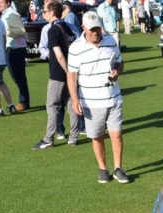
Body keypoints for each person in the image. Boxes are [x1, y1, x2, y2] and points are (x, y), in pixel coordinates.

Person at [68, 11, 130, 184]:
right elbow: (72, 76)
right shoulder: (75, 48)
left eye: (98, 29)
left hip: (113, 97)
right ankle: (103, 169)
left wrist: (117, 71)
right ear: (83, 28)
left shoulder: (111, 42)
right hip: (91, 101)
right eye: (92, 29)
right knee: (97, 137)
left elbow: (120, 61)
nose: (96, 32)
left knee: (116, 134)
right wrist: (74, 100)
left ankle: (118, 168)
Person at [33, 1, 80, 150]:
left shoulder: (52, 30)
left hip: (59, 74)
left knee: (52, 105)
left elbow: (59, 55)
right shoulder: (69, 27)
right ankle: (73, 137)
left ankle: (48, 138)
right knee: (71, 104)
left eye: (45, 12)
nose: (44, 14)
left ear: (52, 12)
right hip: (72, 71)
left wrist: (67, 73)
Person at [0, 0, 30, 111]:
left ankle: (23, 102)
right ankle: (24, 101)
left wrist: (7, 32)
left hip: (16, 48)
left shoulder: (12, 14)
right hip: (11, 48)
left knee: (19, 77)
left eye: (1, 2)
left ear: (7, 3)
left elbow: (22, 30)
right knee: (17, 77)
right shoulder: (6, 14)